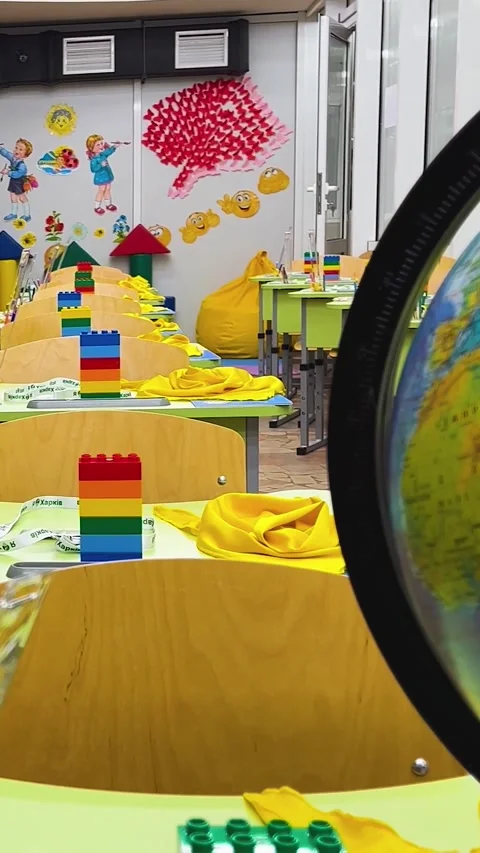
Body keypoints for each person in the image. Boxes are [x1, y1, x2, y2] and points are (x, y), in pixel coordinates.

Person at [0, 138, 34, 222]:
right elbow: (7, 154)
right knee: (12, 196)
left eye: (20, 149)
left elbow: (18, 174)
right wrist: (0, 149)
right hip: (13, 181)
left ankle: (27, 215)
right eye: (16, 148)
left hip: (19, 182)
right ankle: (14, 214)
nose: (17, 150)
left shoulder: (22, 165)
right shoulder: (13, 158)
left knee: (22, 197)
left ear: (25, 155)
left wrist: (8, 172)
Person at [85, 134, 118, 215]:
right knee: (101, 190)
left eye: (101, 143)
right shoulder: (94, 159)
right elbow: (93, 169)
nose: (101, 146)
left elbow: (108, 152)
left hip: (107, 175)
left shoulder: (102, 154)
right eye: (98, 145)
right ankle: (97, 207)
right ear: (91, 148)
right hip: (100, 177)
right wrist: (101, 165)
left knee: (108, 189)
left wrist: (114, 147)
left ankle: (108, 204)